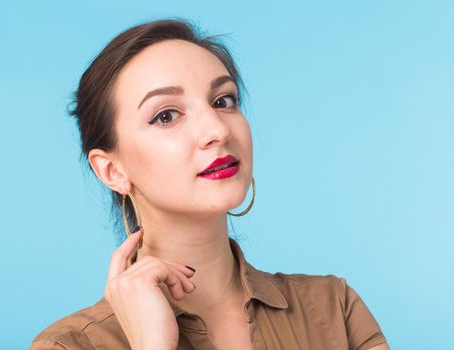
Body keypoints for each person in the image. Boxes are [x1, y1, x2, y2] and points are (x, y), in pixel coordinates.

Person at [29, 18, 389, 350]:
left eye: (223, 101)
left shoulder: (333, 309)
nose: (217, 130)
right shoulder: (69, 345)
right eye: (166, 115)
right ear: (111, 171)